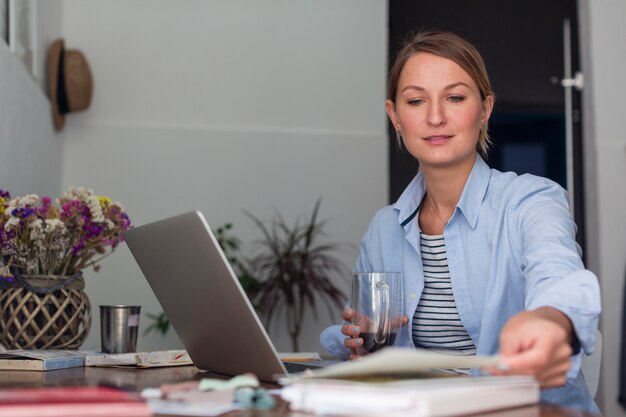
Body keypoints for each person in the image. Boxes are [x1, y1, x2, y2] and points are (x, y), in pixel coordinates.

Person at [320, 30, 601, 412]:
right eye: (416, 101)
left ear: (484, 109)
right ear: (395, 116)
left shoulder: (531, 200)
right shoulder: (384, 230)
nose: (435, 117)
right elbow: (372, 345)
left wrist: (550, 320)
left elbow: (558, 273)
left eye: (454, 97)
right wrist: (359, 342)